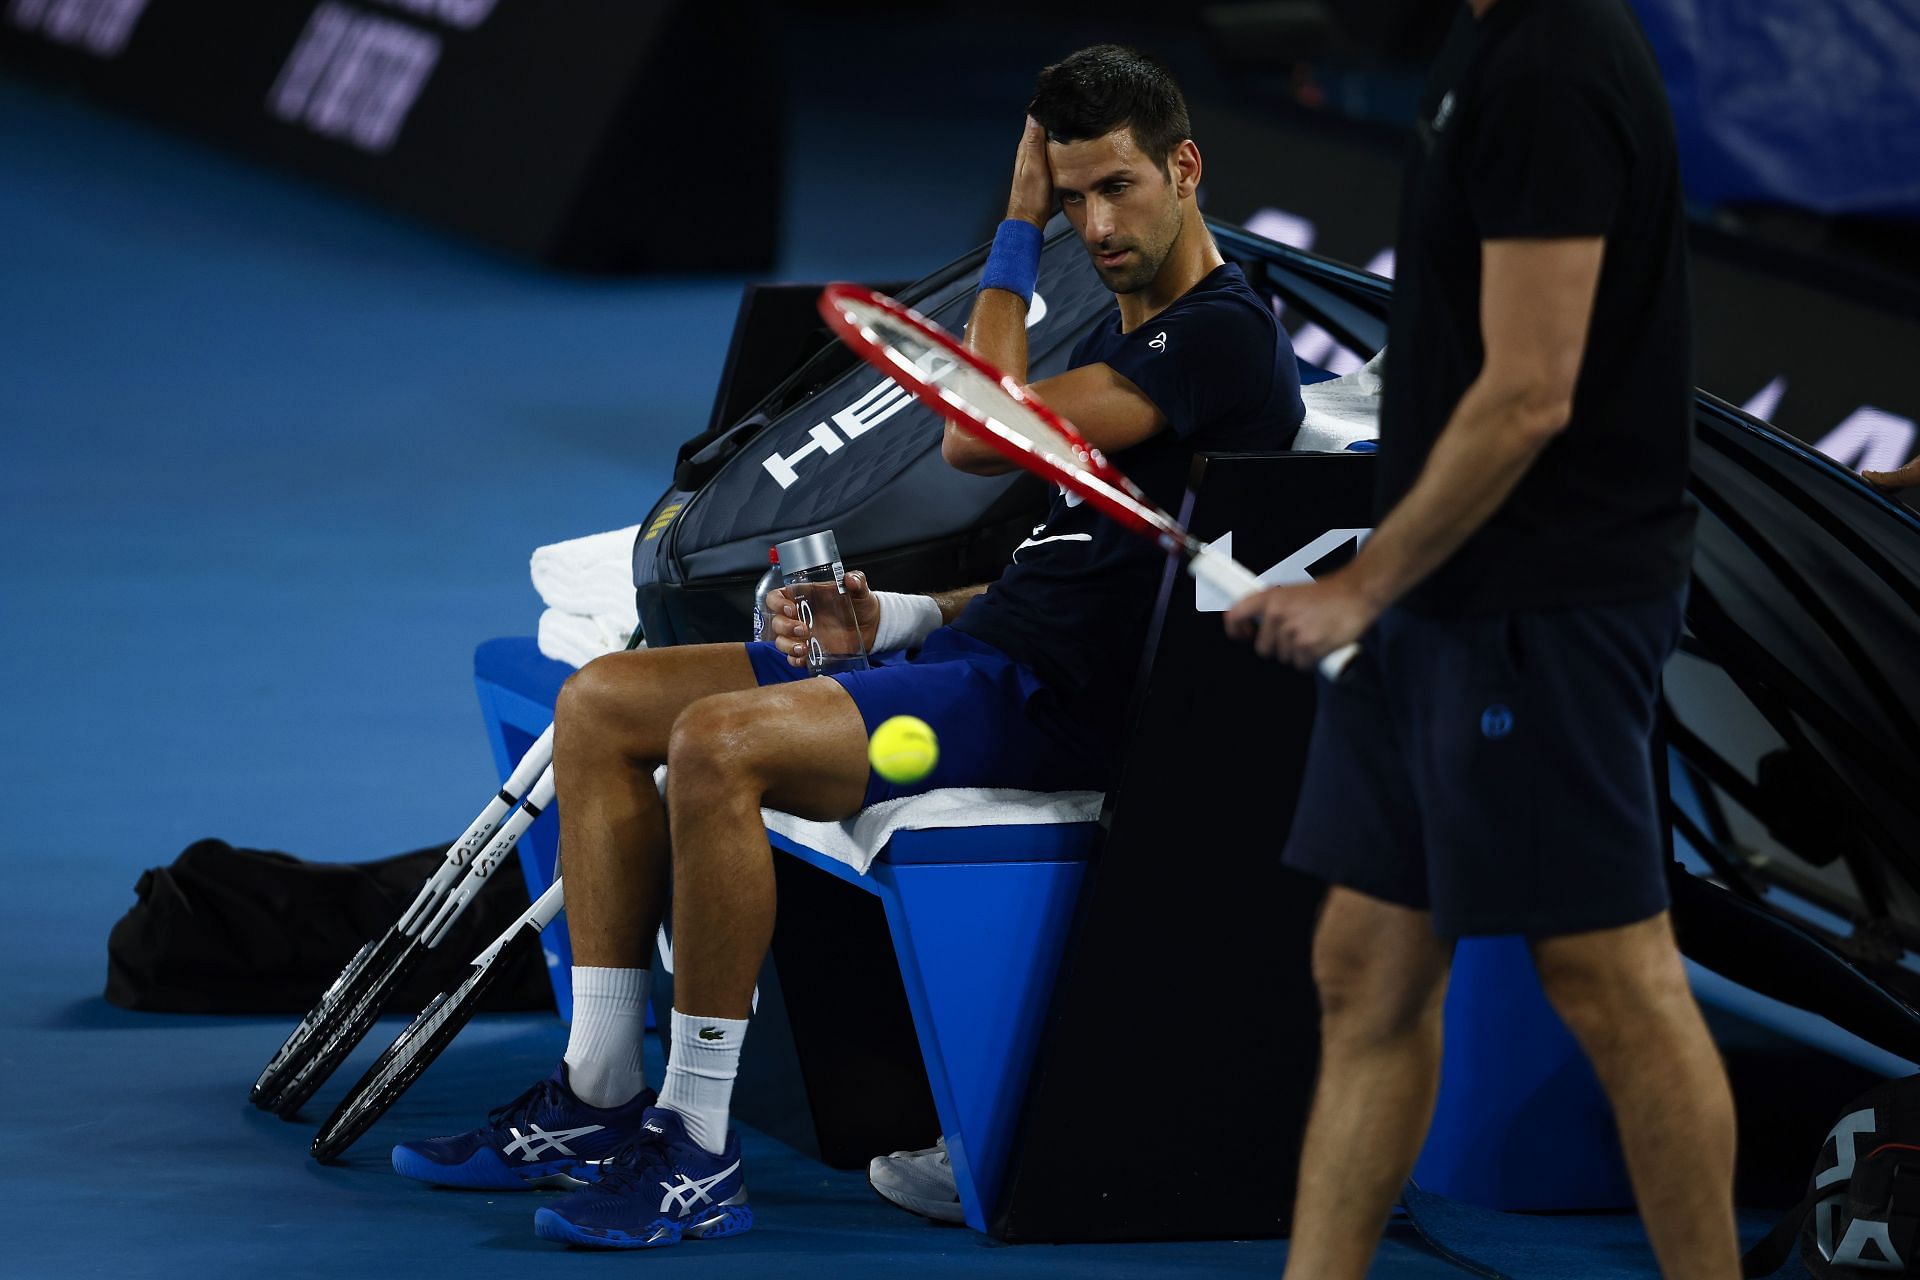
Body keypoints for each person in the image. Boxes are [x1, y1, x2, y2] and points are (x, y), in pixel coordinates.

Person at [391, 44, 1305, 1251]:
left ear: (1187, 169)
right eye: (1072, 196)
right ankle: (597, 1094)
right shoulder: (1136, 350)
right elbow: (1072, 568)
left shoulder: (1220, 337)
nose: (1097, 222)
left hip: (1050, 708)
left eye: (1116, 188)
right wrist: (900, 616)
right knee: (606, 701)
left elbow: (981, 442)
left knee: (718, 744)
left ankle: (695, 1148)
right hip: (977, 663)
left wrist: (1017, 229)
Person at [1223, 1, 1741, 1277]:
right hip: (1450, 588)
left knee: (1612, 982)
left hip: (1539, 601)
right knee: (1368, 964)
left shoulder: (1552, 70)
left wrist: (1362, 588)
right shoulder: (1487, 40)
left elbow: (1528, 390)